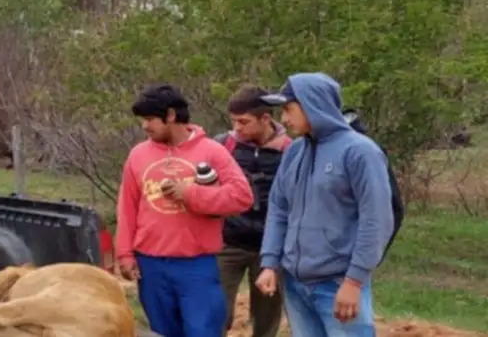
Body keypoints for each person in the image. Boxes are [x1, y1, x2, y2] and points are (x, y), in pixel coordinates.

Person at [254, 73, 395, 337]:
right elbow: (279, 209)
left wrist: (354, 281)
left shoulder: (360, 152)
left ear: (313, 104)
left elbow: (376, 220)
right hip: (295, 285)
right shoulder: (294, 152)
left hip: (338, 284)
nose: (283, 119)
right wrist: (270, 263)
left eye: (288, 109)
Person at [115, 84, 255, 337]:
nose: (145, 126)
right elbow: (127, 206)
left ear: (170, 115)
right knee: (162, 332)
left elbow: (241, 197)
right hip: (150, 264)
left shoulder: (212, 151)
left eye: (150, 119)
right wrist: (124, 253)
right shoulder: (138, 155)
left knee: (203, 331)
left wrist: (191, 194)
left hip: (196, 264)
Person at [215, 85, 293, 337]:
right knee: (216, 313)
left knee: (266, 318)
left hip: (271, 247)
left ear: (265, 118)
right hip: (227, 242)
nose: (237, 128)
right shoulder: (223, 145)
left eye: (243, 121)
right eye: (234, 121)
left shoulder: (291, 151)